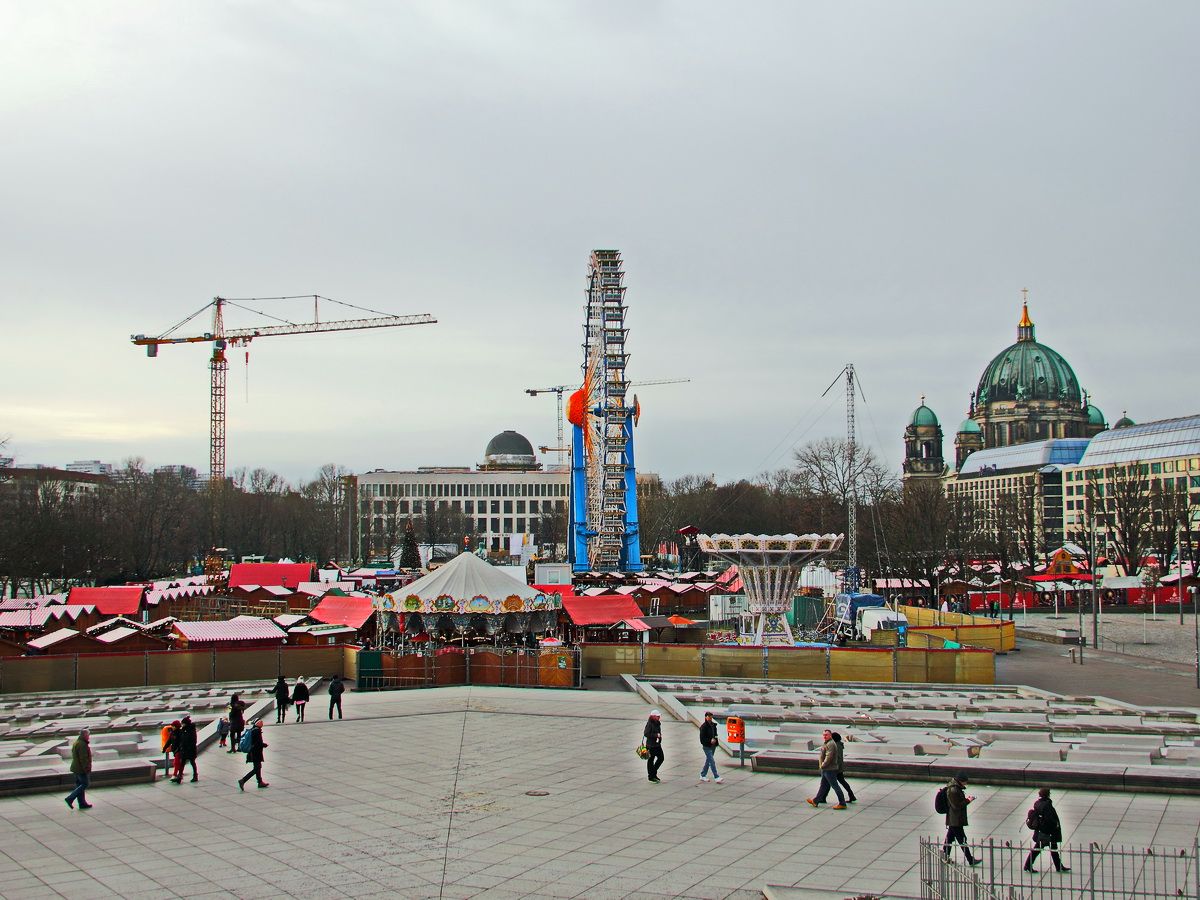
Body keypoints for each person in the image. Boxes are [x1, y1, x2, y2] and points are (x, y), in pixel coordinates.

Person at [1023, 788, 1070, 873]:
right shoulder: (1047, 805)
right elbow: (1049, 819)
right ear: (1047, 795)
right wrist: (1056, 825)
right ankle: (1028, 865)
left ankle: (1058, 866)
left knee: (1050, 849)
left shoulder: (1037, 803)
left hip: (1041, 830)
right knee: (1042, 849)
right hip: (1048, 832)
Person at [943, 772, 981, 865]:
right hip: (955, 820)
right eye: (965, 782)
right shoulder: (953, 790)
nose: (966, 784)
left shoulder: (956, 788)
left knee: (949, 839)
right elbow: (956, 805)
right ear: (960, 781)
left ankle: (944, 856)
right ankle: (970, 859)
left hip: (955, 819)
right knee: (962, 840)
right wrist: (968, 800)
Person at [806, 729, 847, 809]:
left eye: (826, 735)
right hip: (826, 769)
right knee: (823, 786)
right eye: (823, 735)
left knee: (835, 786)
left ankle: (842, 803)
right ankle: (816, 801)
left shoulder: (831, 744)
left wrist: (823, 765)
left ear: (830, 735)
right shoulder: (827, 743)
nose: (824, 736)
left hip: (829, 769)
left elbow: (829, 756)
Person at [65, 729, 93, 810]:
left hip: (75, 768)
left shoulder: (77, 742)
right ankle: (70, 798)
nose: (89, 737)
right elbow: (83, 758)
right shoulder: (82, 744)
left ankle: (82, 803)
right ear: (85, 735)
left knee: (79, 785)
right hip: (80, 769)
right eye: (88, 735)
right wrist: (87, 769)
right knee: (85, 784)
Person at [237, 720, 269, 790]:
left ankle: (260, 782)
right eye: (261, 722)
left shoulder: (253, 730)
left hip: (253, 752)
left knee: (258, 767)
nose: (262, 723)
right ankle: (243, 780)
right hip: (256, 752)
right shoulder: (257, 731)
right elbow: (258, 743)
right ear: (257, 723)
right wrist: (264, 745)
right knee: (256, 768)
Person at [831, 732, 856, 802]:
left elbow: (837, 758)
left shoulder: (836, 746)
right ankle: (851, 795)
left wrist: (835, 767)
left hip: (836, 768)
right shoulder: (839, 745)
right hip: (838, 767)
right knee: (841, 781)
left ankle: (851, 795)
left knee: (830, 782)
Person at [698, 711, 722, 783]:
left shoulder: (713, 726)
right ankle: (716, 776)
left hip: (712, 746)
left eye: (711, 717)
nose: (710, 718)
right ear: (705, 717)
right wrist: (709, 741)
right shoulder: (704, 727)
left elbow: (715, 735)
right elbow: (702, 738)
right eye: (708, 717)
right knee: (711, 761)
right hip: (707, 746)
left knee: (708, 761)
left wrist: (715, 742)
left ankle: (703, 775)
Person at [173, 716, 198, 783]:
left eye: (183, 723)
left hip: (190, 750)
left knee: (192, 762)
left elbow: (193, 741)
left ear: (186, 724)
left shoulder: (192, 731)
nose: (182, 725)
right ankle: (179, 776)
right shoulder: (183, 730)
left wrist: (188, 748)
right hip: (184, 749)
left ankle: (195, 776)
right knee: (182, 763)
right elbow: (181, 739)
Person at [644, 710, 664, 783]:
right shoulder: (650, 724)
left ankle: (654, 773)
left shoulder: (657, 723)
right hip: (651, 746)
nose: (659, 717)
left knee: (661, 758)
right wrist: (656, 735)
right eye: (657, 716)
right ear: (653, 716)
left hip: (657, 744)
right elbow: (646, 733)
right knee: (651, 760)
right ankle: (651, 776)